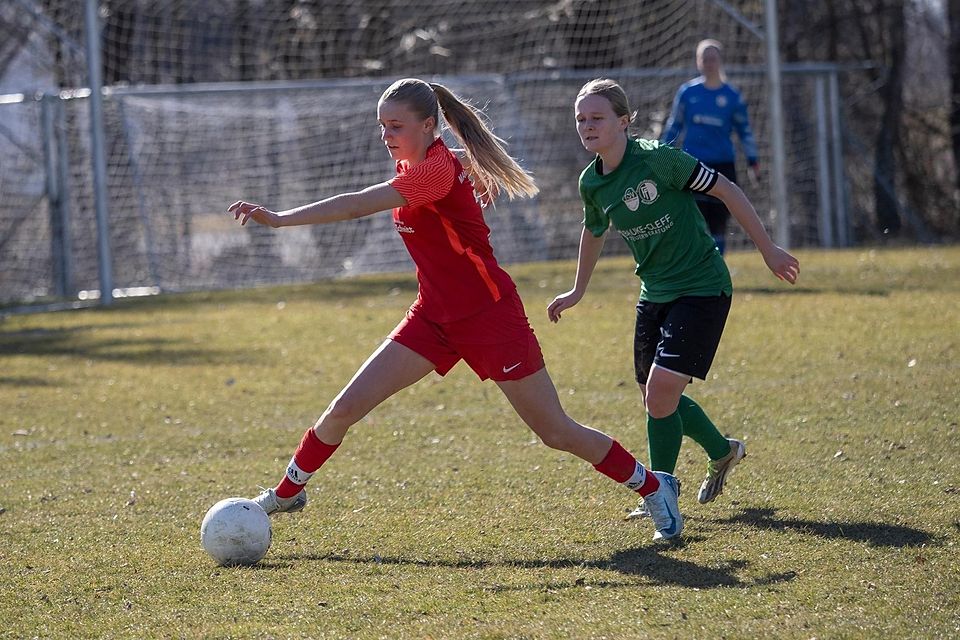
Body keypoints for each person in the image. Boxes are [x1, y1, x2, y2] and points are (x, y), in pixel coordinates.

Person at [226, 78, 683, 541]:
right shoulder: (429, 162)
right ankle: (287, 492)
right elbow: (460, 160)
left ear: (429, 126)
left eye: (396, 126)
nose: (386, 135)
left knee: (556, 432)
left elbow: (355, 206)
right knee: (344, 408)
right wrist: (477, 170)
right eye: (382, 126)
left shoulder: (429, 174)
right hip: (433, 317)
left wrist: (280, 219)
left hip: (490, 317)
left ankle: (653, 486)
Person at [548, 78, 799, 519]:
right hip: (654, 292)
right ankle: (722, 451)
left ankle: (660, 491)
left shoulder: (659, 160)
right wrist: (577, 289)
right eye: (581, 119)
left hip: (702, 286)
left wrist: (768, 249)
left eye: (597, 117)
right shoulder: (592, 182)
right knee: (655, 399)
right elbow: (594, 229)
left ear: (624, 122)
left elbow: (726, 188)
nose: (587, 126)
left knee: (661, 392)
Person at [661, 39, 760, 254]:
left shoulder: (732, 96)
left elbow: (745, 131)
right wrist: (660, 154)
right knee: (693, 220)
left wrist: (753, 160)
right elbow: (674, 125)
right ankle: (695, 265)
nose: (709, 63)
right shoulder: (687, 93)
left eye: (712, 59)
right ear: (698, 62)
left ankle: (717, 264)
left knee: (719, 223)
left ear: (720, 61)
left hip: (723, 164)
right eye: (704, 59)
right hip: (692, 164)